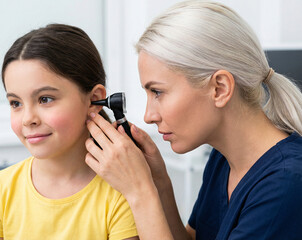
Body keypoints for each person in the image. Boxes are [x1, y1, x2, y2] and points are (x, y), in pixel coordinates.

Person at [85, 1, 302, 240]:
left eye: (157, 92)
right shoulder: (224, 159)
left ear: (219, 88)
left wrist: (139, 192)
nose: (149, 116)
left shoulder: (285, 185)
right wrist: (159, 183)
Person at [0, 24, 139, 240]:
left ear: (94, 99)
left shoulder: (121, 194)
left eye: (45, 99)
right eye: (15, 103)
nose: (28, 119)